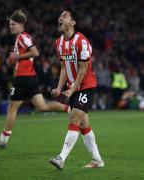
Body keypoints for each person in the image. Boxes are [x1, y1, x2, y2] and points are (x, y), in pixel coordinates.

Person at [0, 10, 70, 149]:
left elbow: (35, 52)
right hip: (30, 78)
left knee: (12, 109)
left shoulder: (22, 37)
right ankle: (70, 109)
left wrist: (16, 57)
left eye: (13, 24)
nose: (11, 26)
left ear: (20, 24)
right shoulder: (22, 38)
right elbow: (27, 56)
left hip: (23, 78)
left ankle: (3, 140)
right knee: (43, 106)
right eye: (10, 24)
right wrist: (14, 60)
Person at [50, 9, 104, 169]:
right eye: (60, 16)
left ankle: (61, 158)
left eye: (64, 16)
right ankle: (97, 160)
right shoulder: (58, 43)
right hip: (71, 88)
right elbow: (64, 67)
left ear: (73, 22)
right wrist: (59, 88)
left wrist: (72, 90)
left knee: (74, 119)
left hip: (86, 86)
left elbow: (83, 70)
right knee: (83, 125)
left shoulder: (82, 42)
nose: (60, 18)